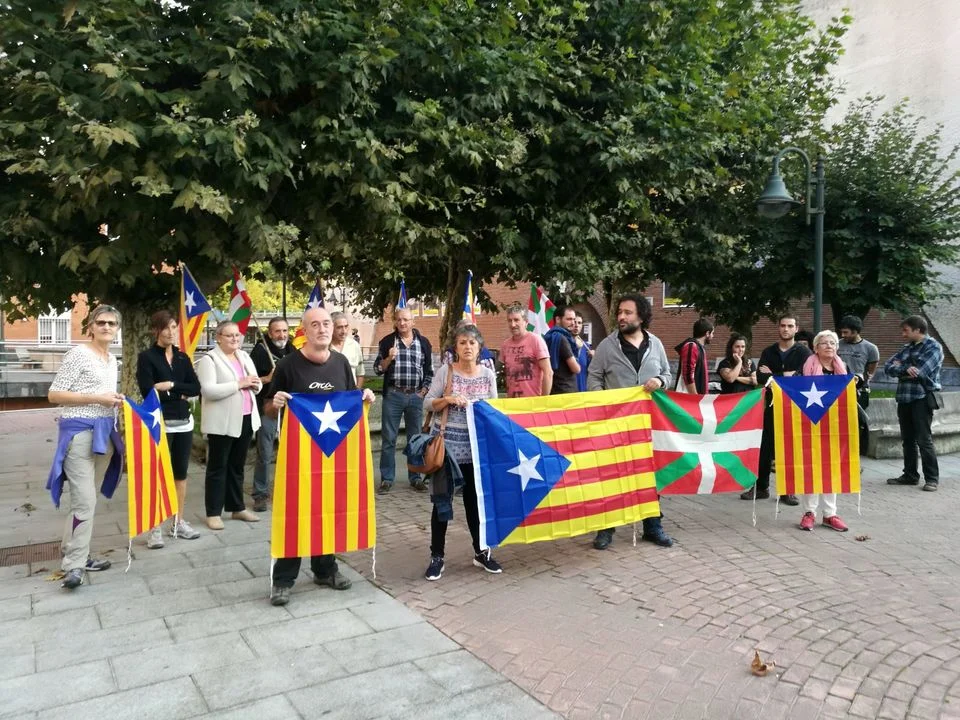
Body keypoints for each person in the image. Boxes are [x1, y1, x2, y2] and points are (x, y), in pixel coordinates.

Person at [266, 307, 376, 606]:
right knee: (294, 512)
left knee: (328, 508)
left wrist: (364, 397)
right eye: (315, 324)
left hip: (333, 454)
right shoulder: (288, 365)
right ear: (305, 330)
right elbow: (268, 408)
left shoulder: (341, 363)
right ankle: (283, 579)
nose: (322, 329)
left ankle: (325, 569)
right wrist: (276, 403)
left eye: (326, 323)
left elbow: (350, 400)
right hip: (298, 457)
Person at [587, 294, 674, 550]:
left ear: (641, 316)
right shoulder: (607, 346)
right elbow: (594, 377)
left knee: (650, 474)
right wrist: (604, 402)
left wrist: (660, 381)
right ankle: (606, 527)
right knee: (612, 474)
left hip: (649, 423)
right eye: (620, 313)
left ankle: (652, 525)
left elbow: (667, 374)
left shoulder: (656, 344)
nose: (621, 317)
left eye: (627, 312)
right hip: (616, 423)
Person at [46, 304, 124, 590]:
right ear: (91, 326)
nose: (106, 327)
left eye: (111, 323)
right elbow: (54, 394)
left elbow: (102, 395)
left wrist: (112, 399)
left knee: (85, 500)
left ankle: (73, 552)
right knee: (85, 501)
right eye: (101, 322)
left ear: (117, 329)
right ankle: (74, 565)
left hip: (105, 435)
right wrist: (97, 398)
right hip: (79, 434)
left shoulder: (112, 359)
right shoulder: (79, 354)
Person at [422, 324, 502, 581]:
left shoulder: (487, 374)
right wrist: (447, 399)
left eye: (472, 343)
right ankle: (437, 556)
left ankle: (481, 552)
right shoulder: (446, 372)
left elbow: (494, 411)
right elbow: (427, 403)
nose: (468, 347)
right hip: (446, 449)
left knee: (475, 504)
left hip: (476, 451)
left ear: (479, 348)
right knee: (442, 503)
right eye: (462, 343)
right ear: (455, 348)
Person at [135, 310, 203, 547]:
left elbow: (196, 388)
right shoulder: (147, 358)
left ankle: (178, 521)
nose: (171, 332)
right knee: (158, 475)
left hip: (183, 423)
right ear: (156, 330)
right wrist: (179, 393)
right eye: (166, 327)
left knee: (180, 474)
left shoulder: (183, 358)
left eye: (174, 327)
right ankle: (155, 527)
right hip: (160, 424)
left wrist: (171, 385)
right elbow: (148, 391)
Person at [196, 320, 262, 530]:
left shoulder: (244, 356)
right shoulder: (209, 360)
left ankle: (237, 507)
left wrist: (255, 385)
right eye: (229, 335)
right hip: (222, 422)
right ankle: (213, 512)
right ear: (218, 338)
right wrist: (239, 384)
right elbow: (208, 390)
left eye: (237, 335)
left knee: (237, 466)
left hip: (245, 417)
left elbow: (257, 383)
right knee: (217, 467)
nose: (235, 339)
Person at [740, 315, 811, 505]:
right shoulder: (769, 351)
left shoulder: (804, 353)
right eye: (782, 325)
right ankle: (761, 487)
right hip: (771, 406)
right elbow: (761, 378)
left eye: (790, 326)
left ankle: (788, 490)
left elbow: (802, 378)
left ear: (796, 328)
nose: (786, 329)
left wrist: (775, 376)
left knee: (790, 449)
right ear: (778, 328)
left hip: (794, 407)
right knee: (765, 448)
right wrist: (786, 375)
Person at [374, 308, 434, 493]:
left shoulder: (424, 343)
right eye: (399, 320)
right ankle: (387, 479)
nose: (402, 323)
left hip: (415, 396)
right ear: (395, 321)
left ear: (413, 322)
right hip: (394, 395)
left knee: (415, 439)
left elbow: (429, 371)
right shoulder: (387, 342)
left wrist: (424, 391)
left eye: (406, 320)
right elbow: (378, 369)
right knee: (389, 439)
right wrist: (388, 358)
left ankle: (415, 477)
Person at [883, 315, 944, 492]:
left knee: (924, 440)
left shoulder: (933, 347)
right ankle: (910, 475)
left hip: (921, 398)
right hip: (904, 397)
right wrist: (905, 368)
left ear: (918, 330)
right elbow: (887, 367)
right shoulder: (907, 347)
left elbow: (920, 372)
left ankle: (932, 479)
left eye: (906, 331)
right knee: (907, 440)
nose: (903, 334)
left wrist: (901, 367)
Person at [798, 331, 850, 532]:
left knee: (831, 468)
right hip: (810, 424)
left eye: (832, 343)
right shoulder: (805, 369)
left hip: (835, 426)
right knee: (811, 468)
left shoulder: (843, 368)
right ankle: (809, 512)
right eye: (824, 343)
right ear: (815, 348)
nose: (829, 346)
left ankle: (830, 514)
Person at [249, 317, 293, 512]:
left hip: (290, 407)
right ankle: (260, 494)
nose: (281, 335)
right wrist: (268, 378)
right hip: (268, 406)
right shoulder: (260, 351)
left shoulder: (293, 350)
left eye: (284, 331)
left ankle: (288, 490)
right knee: (265, 453)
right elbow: (250, 380)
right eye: (277, 331)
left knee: (291, 452)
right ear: (270, 332)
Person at [837, 315, 879, 451]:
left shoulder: (870, 348)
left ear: (855, 331)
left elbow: (871, 370)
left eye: (846, 332)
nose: (843, 335)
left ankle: (855, 450)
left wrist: (861, 381)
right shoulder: (837, 345)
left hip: (859, 390)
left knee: (856, 422)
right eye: (842, 332)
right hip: (839, 389)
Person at [500, 303, 552, 397]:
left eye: (516, 320)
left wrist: (544, 400)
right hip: (512, 402)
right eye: (509, 320)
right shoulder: (505, 345)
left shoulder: (536, 340)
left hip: (533, 401)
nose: (513, 324)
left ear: (526, 322)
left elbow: (548, 372)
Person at [543, 306, 581, 395]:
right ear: (558, 319)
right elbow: (576, 369)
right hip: (566, 391)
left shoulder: (547, 337)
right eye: (569, 319)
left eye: (574, 319)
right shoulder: (561, 338)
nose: (573, 323)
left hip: (552, 389)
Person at [675, 319, 714, 394]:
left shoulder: (699, 348)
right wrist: (695, 397)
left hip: (697, 396)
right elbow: (688, 375)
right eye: (712, 333)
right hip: (690, 397)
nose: (713, 336)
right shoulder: (691, 346)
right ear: (707, 333)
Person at [331, 311, 366, 387]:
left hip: (350, 392)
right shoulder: (324, 347)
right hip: (330, 393)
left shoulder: (354, 345)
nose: (344, 331)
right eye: (339, 327)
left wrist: (356, 391)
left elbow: (360, 373)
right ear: (331, 328)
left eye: (346, 326)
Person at [573, 311, 593, 392]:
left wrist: (594, 358)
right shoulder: (564, 343)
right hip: (568, 393)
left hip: (583, 392)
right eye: (574, 322)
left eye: (579, 323)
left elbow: (592, 371)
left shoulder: (586, 347)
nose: (576, 325)